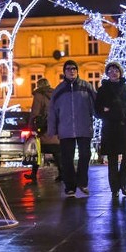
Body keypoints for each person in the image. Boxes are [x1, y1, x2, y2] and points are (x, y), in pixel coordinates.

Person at [47, 60, 96, 198]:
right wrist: (52, 129)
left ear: (77, 70)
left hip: (84, 126)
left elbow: (95, 105)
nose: (71, 71)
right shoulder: (59, 90)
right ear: (64, 72)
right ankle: (70, 187)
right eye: (68, 69)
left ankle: (82, 182)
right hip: (65, 129)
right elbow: (52, 111)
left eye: (74, 68)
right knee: (67, 159)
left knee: (85, 155)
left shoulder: (86, 87)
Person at [95, 61, 126, 198]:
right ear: (107, 73)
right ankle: (115, 188)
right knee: (112, 159)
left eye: (116, 70)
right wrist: (106, 112)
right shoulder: (102, 90)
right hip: (110, 128)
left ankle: (123, 183)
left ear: (120, 73)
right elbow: (97, 110)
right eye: (111, 70)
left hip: (125, 126)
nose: (114, 72)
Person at [25, 78, 61, 182]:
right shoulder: (55, 94)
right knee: (56, 151)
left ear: (38, 85)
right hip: (54, 126)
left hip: (42, 128)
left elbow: (35, 112)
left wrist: (31, 126)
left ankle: (33, 174)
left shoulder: (39, 95)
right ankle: (62, 173)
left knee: (37, 151)